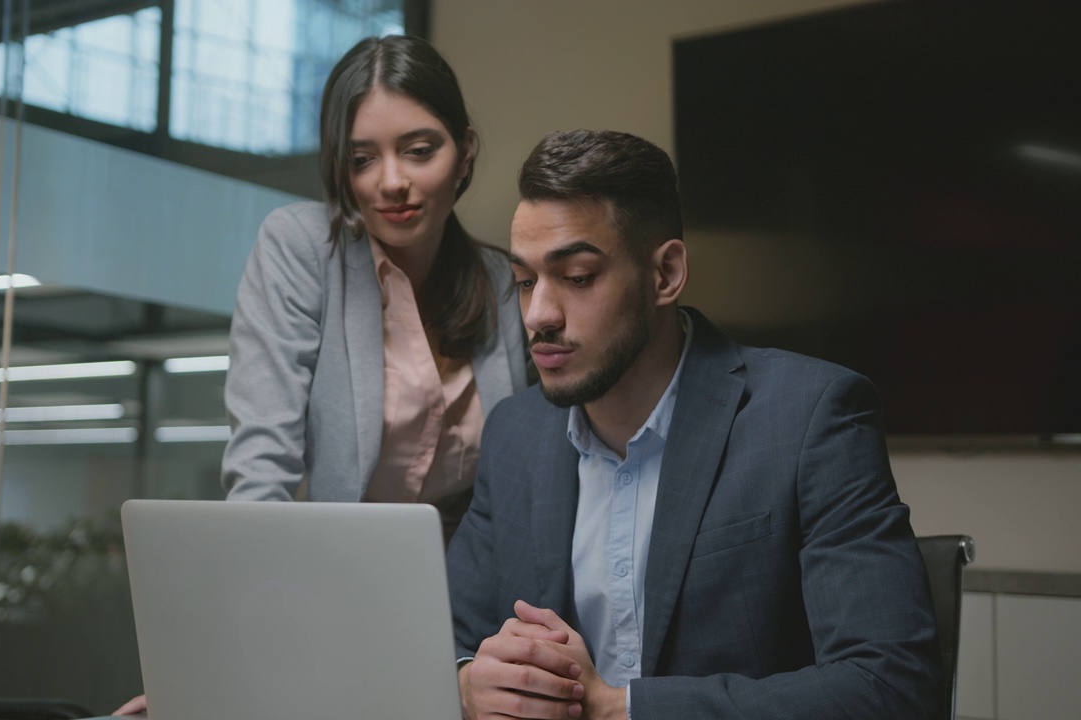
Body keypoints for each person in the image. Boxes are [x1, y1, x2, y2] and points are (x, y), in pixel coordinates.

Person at [447, 130, 942, 720]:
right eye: (526, 281)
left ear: (666, 273)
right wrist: (469, 685)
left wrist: (619, 709)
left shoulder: (812, 414)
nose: (538, 315)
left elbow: (890, 685)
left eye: (577, 276)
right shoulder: (513, 433)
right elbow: (450, 642)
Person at [113, 34, 528, 717]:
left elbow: (521, 485)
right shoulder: (302, 247)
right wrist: (215, 665)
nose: (390, 181)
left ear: (466, 152)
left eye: (420, 149)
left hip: (469, 618)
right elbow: (261, 468)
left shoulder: (500, 282)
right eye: (362, 159)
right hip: (313, 599)